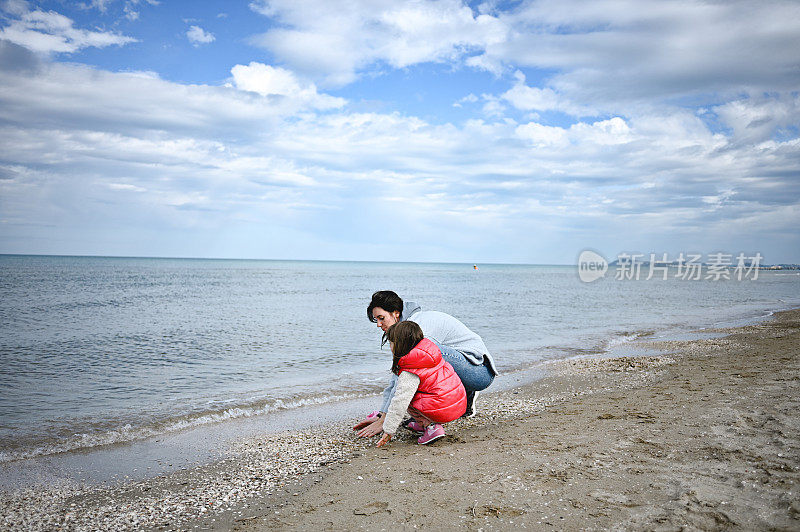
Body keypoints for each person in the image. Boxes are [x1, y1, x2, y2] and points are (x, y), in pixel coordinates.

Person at [354, 290, 497, 438]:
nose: (378, 324)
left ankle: (466, 392)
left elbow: (404, 380)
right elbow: (397, 376)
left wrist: (385, 421)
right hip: (467, 368)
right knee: (414, 366)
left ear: (396, 313)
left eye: (381, 318)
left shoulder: (417, 328)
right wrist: (382, 414)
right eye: (375, 319)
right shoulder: (403, 331)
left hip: (479, 372)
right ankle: (465, 398)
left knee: (421, 357)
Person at [374, 321, 466, 447]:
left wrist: (388, 430)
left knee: (406, 395)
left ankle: (432, 427)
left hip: (443, 408)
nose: (390, 346)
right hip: (457, 402)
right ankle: (422, 422)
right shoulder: (429, 354)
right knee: (419, 390)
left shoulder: (411, 370)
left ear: (401, 344)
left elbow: (399, 401)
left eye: (391, 343)